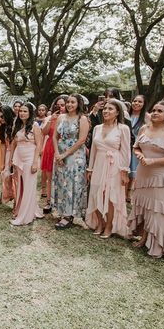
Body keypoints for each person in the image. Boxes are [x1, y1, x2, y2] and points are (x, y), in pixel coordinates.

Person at [129, 101, 164, 258]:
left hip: (160, 177)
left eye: (159, 111)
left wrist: (153, 161)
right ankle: (144, 238)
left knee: (158, 209)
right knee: (146, 207)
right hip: (143, 174)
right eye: (153, 110)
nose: (154, 113)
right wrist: (139, 154)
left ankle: (158, 244)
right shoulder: (144, 128)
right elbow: (136, 146)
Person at [86, 99, 131, 239]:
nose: (106, 111)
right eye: (105, 108)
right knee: (95, 192)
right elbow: (93, 149)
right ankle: (100, 223)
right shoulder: (97, 128)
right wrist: (90, 169)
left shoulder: (123, 128)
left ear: (117, 112)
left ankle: (109, 225)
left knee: (110, 195)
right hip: (99, 163)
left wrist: (124, 171)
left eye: (110, 109)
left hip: (114, 165)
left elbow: (125, 151)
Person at [52, 94, 90, 229]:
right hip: (60, 154)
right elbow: (55, 137)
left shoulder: (82, 118)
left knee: (72, 183)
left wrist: (65, 155)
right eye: (68, 102)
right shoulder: (61, 117)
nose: (69, 104)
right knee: (61, 182)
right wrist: (57, 154)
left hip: (75, 156)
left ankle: (69, 215)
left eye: (72, 102)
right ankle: (62, 210)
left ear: (78, 103)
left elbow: (81, 140)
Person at [9, 103, 44, 225]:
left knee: (29, 187)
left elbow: (39, 144)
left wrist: (35, 162)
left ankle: (25, 217)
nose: (22, 113)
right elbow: (13, 143)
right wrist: (11, 159)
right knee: (22, 187)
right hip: (19, 158)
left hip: (30, 158)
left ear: (30, 113)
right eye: (21, 111)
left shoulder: (35, 126)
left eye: (25, 111)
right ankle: (29, 210)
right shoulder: (17, 125)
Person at [40, 95, 67, 213]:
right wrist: (51, 119)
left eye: (63, 105)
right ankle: (49, 202)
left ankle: (62, 203)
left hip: (65, 148)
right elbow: (44, 132)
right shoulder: (51, 117)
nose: (60, 107)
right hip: (50, 147)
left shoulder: (70, 118)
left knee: (63, 178)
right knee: (50, 177)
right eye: (58, 105)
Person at [128, 95, 151, 201]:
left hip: (139, 147)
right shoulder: (127, 115)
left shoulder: (147, 117)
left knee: (136, 172)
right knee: (126, 171)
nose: (136, 103)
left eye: (140, 102)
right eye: (134, 101)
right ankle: (126, 193)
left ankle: (135, 194)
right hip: (126, 145)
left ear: (144, 104)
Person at [0, 105, 15, 204]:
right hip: (8, 153)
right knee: (5, 174)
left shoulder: (14, 126)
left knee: (14, 176)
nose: (0, 119)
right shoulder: (3, 127)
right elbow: (3, 145)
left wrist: (12, 159)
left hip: (16, 153)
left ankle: (16, 199)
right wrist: (2, 162)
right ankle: (10, 195)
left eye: (2, 117)